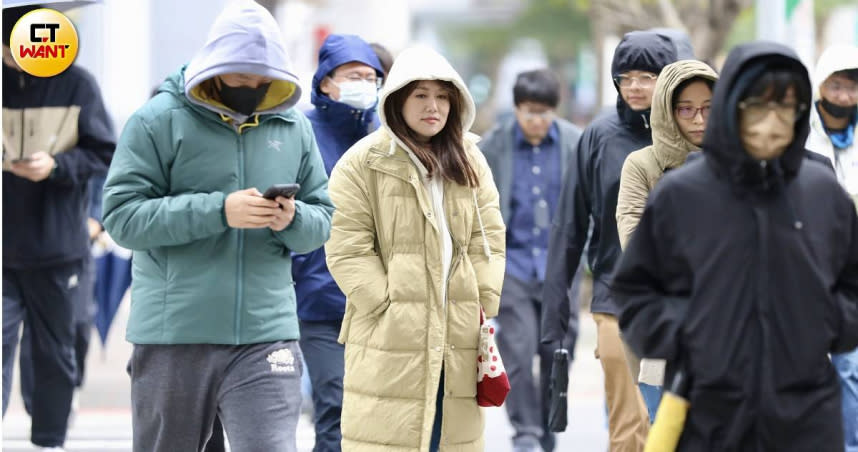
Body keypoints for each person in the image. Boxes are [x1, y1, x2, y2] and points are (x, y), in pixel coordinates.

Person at [101, 1, 333, 451]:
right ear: (214, 64)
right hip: (175, 334)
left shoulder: (293, 128)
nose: (251, 85)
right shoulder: (157, 121)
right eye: (239, 74)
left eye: (261, 75)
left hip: (267, 335)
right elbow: (122, 218)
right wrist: (219, 211)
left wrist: (293, 218)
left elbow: (322, 220)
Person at [611, 41, 858, 451]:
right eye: (758, 106)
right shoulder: (682, 194)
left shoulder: (822, 192)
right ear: (733, 107)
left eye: (787, 106)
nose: (772, 121)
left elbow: (852, 282)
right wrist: (690, 335)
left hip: (806, 412)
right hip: (709, 410)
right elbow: (635, 291)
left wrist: (826, 324)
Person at [325, 46, 505, 452]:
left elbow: (488, 234)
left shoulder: (469, 158)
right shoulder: (363, 162)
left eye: (443, 96)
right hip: (391, 334)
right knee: (389, 435)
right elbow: (345, 245)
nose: (433, 106)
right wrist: (385, 303)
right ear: (397, 100)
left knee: (450, 435)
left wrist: (483, 297)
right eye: (420, 95)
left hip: (458, 328)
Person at [541, 30, 680, 451]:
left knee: (671, 422)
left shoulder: (689, 133)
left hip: (680, 300)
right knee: (629, 421)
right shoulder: (599, 136)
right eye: (626, 76)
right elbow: (570, 223)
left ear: (667, 78)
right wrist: (555, 311)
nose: (635, 86)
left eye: (647, 76)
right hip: (614, 297)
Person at [2, 4, 115, 450]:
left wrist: (56, 166)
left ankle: (49, 440)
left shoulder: (78, 84)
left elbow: (104, 153)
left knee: (55, 355)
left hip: (59, 247)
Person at [478, 68, 581, 452]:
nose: (536, 120)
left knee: (557, 353)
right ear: (516, 109)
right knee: (518, 352)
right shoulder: (495, 145)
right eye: (528, 111)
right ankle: (526, 433)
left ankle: (546, 429)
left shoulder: (575, 142)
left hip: (561, 266)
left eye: (544, 112)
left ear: (555, 111)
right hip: (514, 266)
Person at [292, 33, 383, 452]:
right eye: (353, 75)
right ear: (326, 81)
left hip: (378, 300)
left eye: (371, 76)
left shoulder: (385, 135)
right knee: (334, 405)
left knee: (375, 415)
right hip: (318, 296)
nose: (364, 83)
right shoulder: (299, 131)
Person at [615, 60, 718, 421]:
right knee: (668, 432)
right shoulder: (642, 165)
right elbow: (633, 237)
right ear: (666, 111)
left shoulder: (737, 165)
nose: (698, 119)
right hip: (663, 324)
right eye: (686, 109)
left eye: (708, 108)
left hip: (726, 325)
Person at [805, 44, 858, 452]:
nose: (843, 96)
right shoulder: (801, 136)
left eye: (851, 88)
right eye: (835, 86)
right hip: (811, 268)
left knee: (850, 367)